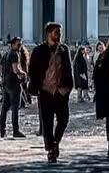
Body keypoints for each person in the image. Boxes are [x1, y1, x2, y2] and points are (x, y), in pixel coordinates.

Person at [29, 22, 73, 163]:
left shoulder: (64, 50)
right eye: (56, 32)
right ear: (49, 33)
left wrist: (68, 87)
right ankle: (50, 148)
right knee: (47, 122)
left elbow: (68, 69)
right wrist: (39, 86)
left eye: (60, 32)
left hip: (61, 91)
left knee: (64, 118)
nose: (59, 35)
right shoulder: (39, 51)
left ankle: (56, 142)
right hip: (46, 91)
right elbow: (32, 70)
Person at [0, 37, 27, 138]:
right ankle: (16, 130)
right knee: (15, 108)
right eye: (18, 45)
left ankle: (2, 130)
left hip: (5, 83)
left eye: (21, 44)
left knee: (4, 108)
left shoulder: (6, 54)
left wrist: (4, 77)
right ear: (13, 44)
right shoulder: (15, 54)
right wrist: (23, 73)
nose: (20, 46)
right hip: (14, 84)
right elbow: (16, 70)